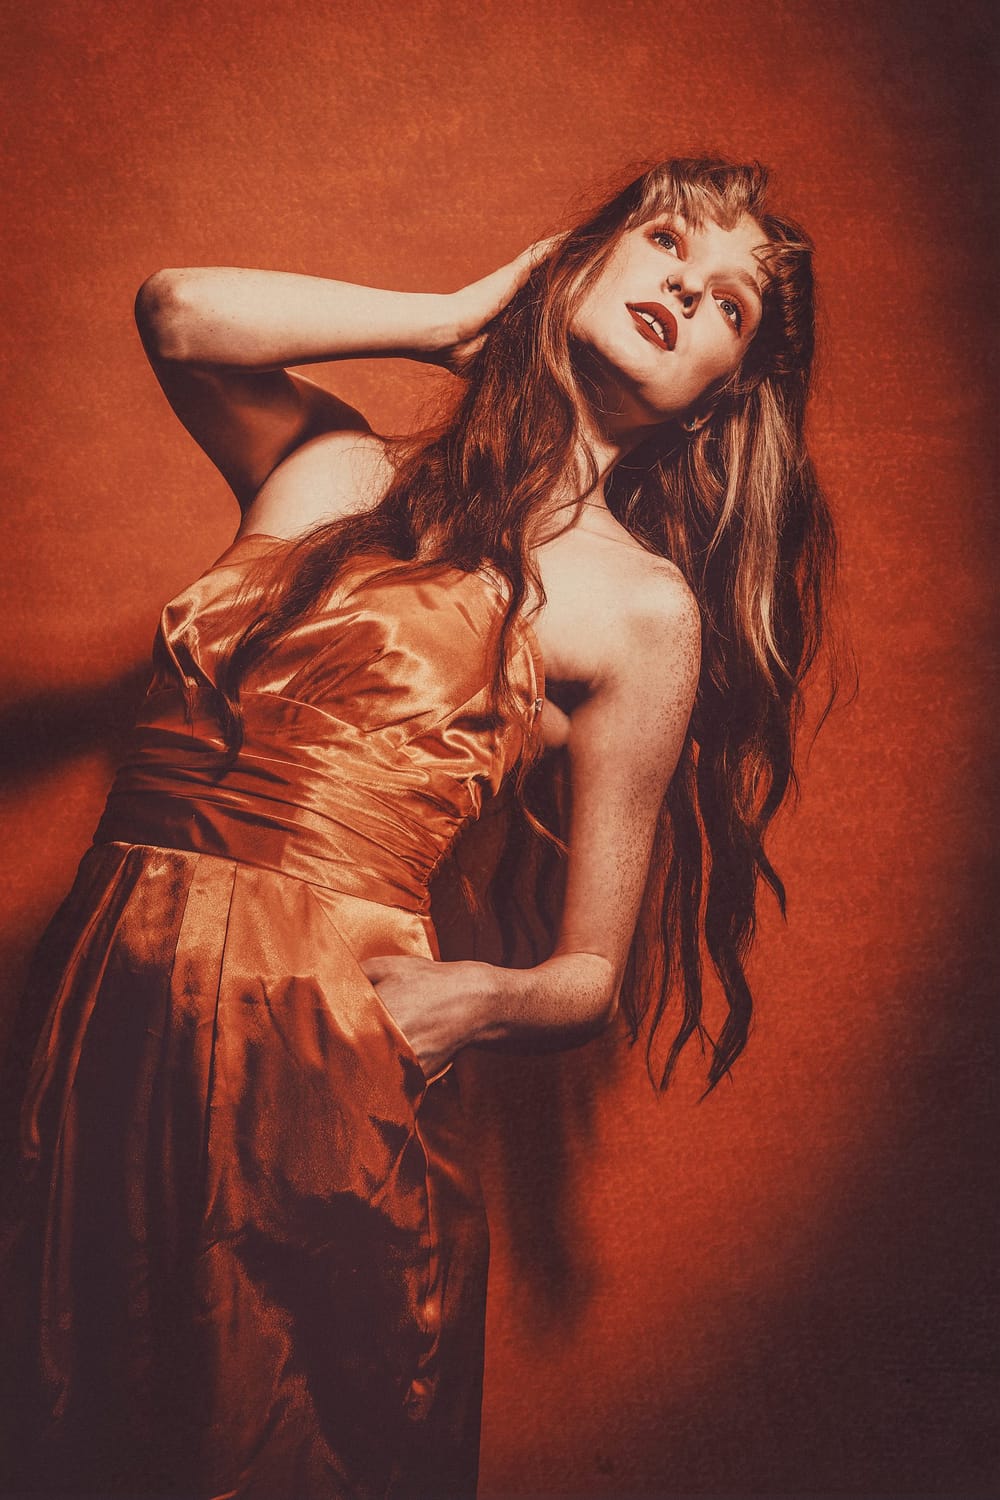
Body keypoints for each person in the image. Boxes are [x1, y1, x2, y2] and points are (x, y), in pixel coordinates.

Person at [0, 157, 839, 1498]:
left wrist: (464, 1004)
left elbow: (588, 977)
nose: (688, 286)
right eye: (665, 241)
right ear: (572, 261)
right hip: (104, 1005)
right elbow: (177, 311)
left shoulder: (641, 611)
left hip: (319, 1064)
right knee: (66, 1422)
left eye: (730, 304)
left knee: (278, 1448)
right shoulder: (333, 467)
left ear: (722, 396)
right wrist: (451, 317)